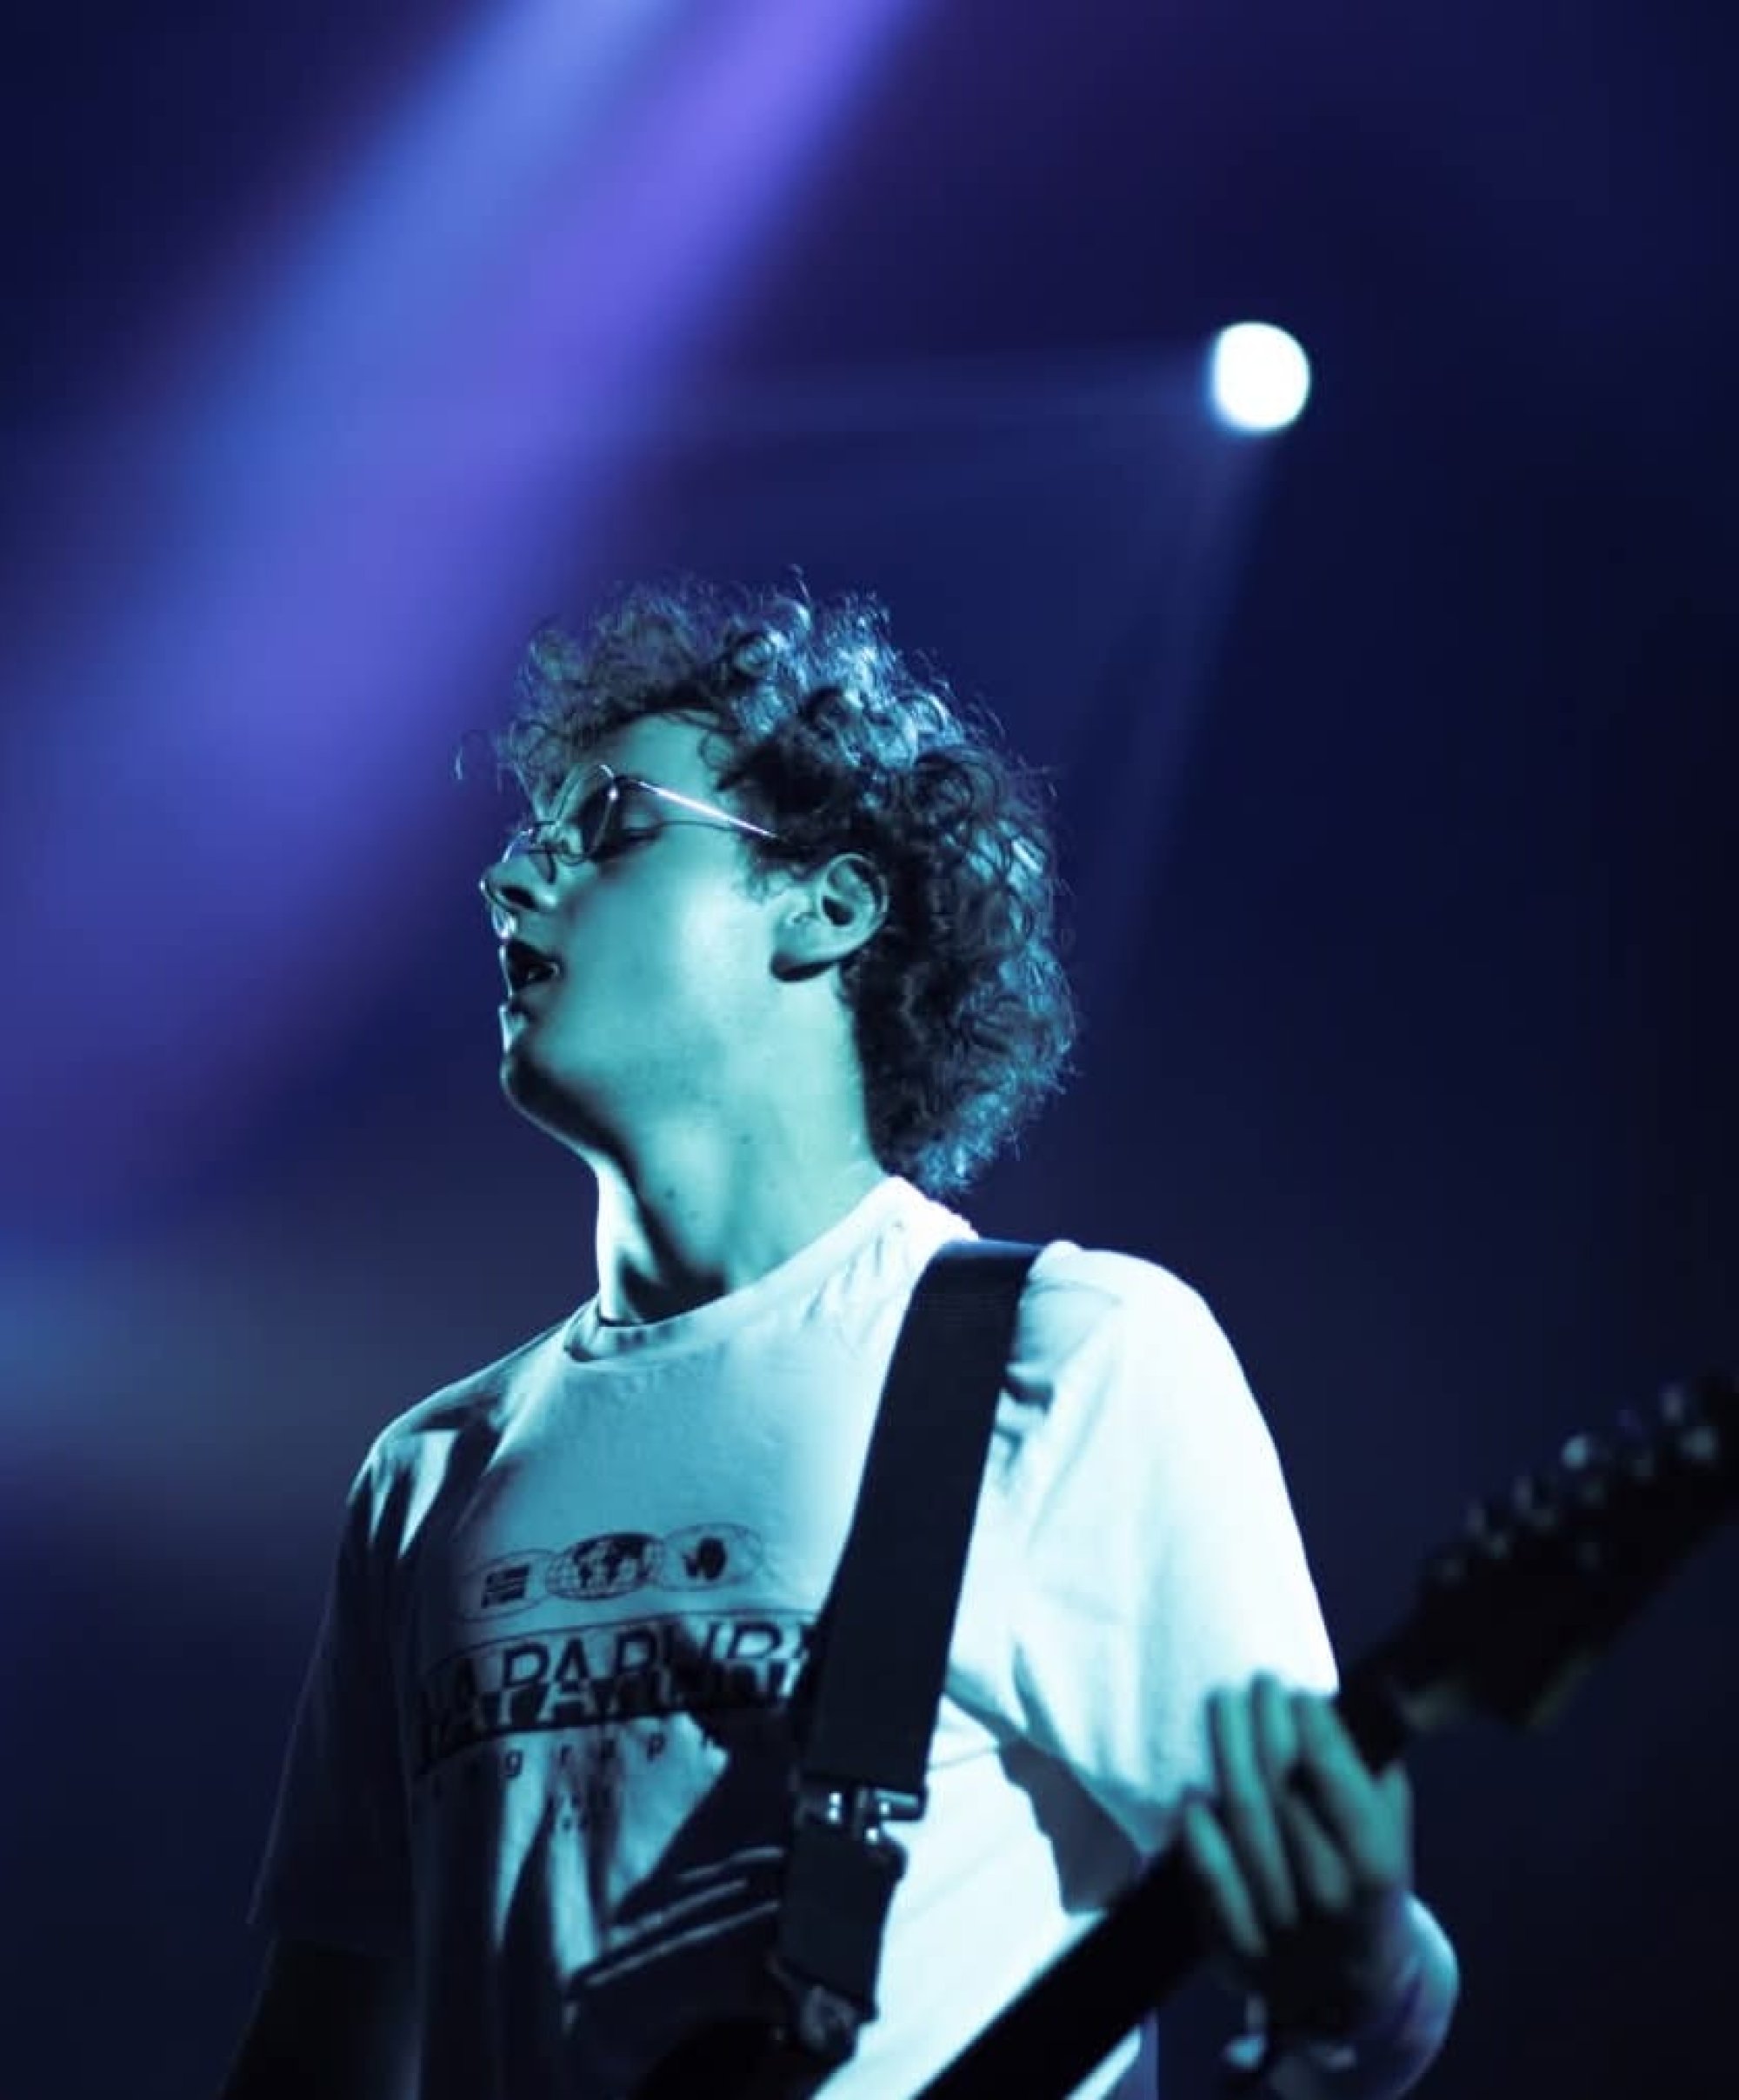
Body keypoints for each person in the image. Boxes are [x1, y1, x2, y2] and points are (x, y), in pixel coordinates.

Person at [220, 581, 1458, 2099]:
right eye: (530, 837)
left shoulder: (1071, 1358)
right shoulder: (432, 1473)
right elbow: (327, 2046)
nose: (511, 878)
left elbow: (1352, 1983)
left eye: (608, 824)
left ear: (829, 906)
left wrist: (1365, 1969)